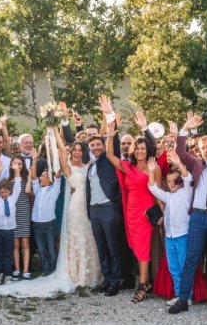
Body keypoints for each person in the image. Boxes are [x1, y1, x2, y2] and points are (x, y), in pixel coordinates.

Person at [168, 114, 207, 315]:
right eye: (202, 148)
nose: (206, 150)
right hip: (199, 217)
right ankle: (183, 298)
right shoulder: (197, 164)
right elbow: (180, 152)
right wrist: (184, 129)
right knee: (191, 258)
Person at [105, 113, 157, 303]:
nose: (140, 151)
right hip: (131, 212)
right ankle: (146, 281)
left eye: (143, 148)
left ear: (147, 149)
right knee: (136, 248)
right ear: (133, 150)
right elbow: (110, 155)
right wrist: (110, 135)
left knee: (143, 249)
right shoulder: (128, 166)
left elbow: (159, 191)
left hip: (145, 212)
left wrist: (160, 213)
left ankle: (143, 284)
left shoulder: (154, 167)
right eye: (138, 148)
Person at [85, 96, 127, 296]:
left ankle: (116, 281)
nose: (95, 148)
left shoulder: (109, 159)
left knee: (113, 247)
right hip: (94, 210)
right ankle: (107, 277)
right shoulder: (91, 164)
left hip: (110, 208)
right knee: (101, 248)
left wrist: (109, 114)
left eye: (98, 145)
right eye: (92, 146)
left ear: (102, 145)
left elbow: (114, 141)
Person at [54, 130, 103, 288]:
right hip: (75, 206)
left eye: (79, 150)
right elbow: (62, 150)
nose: (76, 152)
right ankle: (76, 275)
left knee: (89, 237)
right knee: (76, 237)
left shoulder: (88, 166)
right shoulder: (67, 168)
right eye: (74, 150)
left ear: (83, 152)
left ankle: (90, 275)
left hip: (88, 206)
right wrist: (54, 127)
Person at [148, 150, 193, 306]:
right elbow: (153, 188)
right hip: (170, 236)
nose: (171, 184)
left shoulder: (186, 192)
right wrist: (152, 171)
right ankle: (179, 294)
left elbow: (188, 177)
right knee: (174, 267)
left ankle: (186, 296)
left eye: (175, 180)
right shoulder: (168, 196)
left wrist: (179, 164)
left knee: (183, 265)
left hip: (183, 235)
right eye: (168, 181)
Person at [29, 157, 63, 279]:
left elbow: (58, 178)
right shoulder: (38, 189)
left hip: (49, 224)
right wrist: (34, 160)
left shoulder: (53, 190)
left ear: (50, 179)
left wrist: (57, 173)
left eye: (43, 176)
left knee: (51, 249)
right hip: (37, 224)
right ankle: (44, 270)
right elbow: (33, 176)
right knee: (41, 249)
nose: (40, 178)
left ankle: (53, 269)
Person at [0, 159, 23, 285]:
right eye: (1, 192)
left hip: (9, 229)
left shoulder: (12, 199)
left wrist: (17, 172)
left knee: (8, 253)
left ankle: (8, 274)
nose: (3, 194)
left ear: (10, 191)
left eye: (6, 192)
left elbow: (18, 187)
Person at [7, 154, 33, 282]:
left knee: (25, 243)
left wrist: (28, 177)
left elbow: (28, 192)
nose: (17, 166)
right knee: (15, 243)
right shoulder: (8, 181)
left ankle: (26, 270)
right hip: (13, 213)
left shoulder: (26, 179)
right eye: (15, 164)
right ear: (11, 165)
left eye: (20, 164)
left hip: (24, 211)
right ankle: (17, 268)